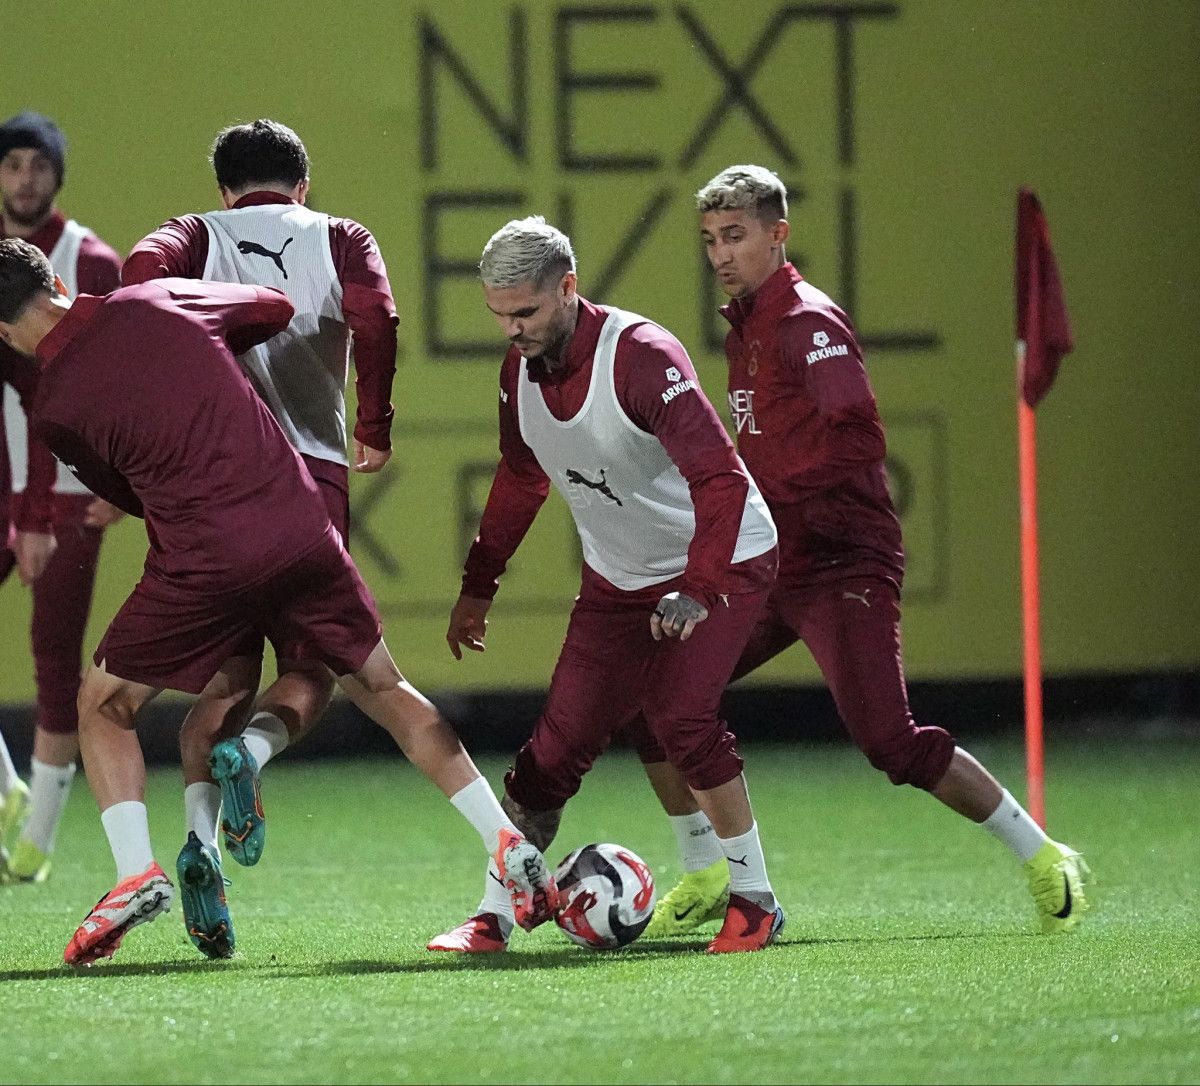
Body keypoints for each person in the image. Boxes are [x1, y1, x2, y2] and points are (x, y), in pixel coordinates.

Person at [0, 237, 558, 966]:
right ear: (56, 278)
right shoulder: (159, 300)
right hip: (298, 526)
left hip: (201, 561)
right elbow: (274, 306)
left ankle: (139, 873)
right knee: (384, 688)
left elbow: (128, 494)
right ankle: (506, 839)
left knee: (105, 704)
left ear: (3, 331)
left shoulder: (53, 410)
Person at [637, 164, 1090, 939]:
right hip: (771, 559)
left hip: (842, 561)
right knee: (654, 692)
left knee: (890, 743)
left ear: (779, 235)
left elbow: (860, 441)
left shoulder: (807, 324)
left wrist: (759, 489)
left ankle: (1044, 855)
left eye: (735, 235)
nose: (720, 254)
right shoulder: (746, 324)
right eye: (710, 239)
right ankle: (709, 869)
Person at [428, 216, 783, 956]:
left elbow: (719, 479)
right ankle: (494, 917)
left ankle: (756, 901)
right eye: (498, 315)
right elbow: (521, 477)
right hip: (618, 580)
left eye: (525, 312)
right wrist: (479, 584)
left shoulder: (642, 357)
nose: (512, 330)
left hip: (724, 558)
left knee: (682, 718)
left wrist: (699, 585)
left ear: (568, 287)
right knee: (547, 758)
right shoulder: (517, 370)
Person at [121, 118, 399, 956]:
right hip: (309, 477)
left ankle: (201, 845)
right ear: (303, 184)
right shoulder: (341, 236)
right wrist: (375, 421)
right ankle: (252, 752)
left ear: (223, 188)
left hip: (212, 483)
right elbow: (376, 316)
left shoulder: (192, 235)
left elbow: (136, 281)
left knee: (222, 685)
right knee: (312, 670)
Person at [0, 112, 124, 885]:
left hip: (70, 489)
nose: (25, 178)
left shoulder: (92, 260)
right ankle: (10, 793)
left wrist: (119, 485)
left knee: (54, 657)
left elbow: (107, 383)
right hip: (7, 483)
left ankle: (36, 843)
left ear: (58, 174)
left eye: (38, 164)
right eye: (13, 163)